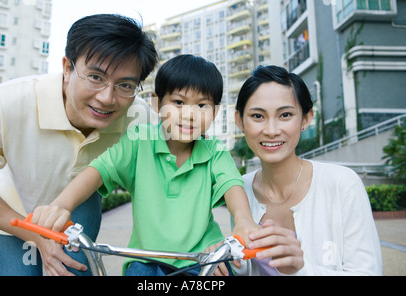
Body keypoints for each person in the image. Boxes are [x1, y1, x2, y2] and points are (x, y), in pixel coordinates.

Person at [0, 14, 158, 276]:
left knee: (74, 270)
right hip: (15, 207)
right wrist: (36, 236)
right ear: (67, 68)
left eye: (125, 85)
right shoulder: (4, 105)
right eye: (95, 77)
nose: (107, 98)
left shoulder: (141, 119)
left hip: (80, 205)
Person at [32, 54, 260, 276]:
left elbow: (232, 186)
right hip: (145, 260)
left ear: (215, 111)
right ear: (157, 103)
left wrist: (244, 221)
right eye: (178, 102)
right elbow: (98, 170)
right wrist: (61, 204)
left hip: (203, 258)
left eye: (202, 106)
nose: (190, 115)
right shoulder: (138, 141)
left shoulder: (216, 152)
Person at [230, 65, 382, 275]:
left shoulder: (342, 184)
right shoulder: (239, 190)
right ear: (240, 121)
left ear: (306, 118)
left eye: (285, 115)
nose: (271, 130)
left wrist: (300, 270)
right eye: (257, 116)